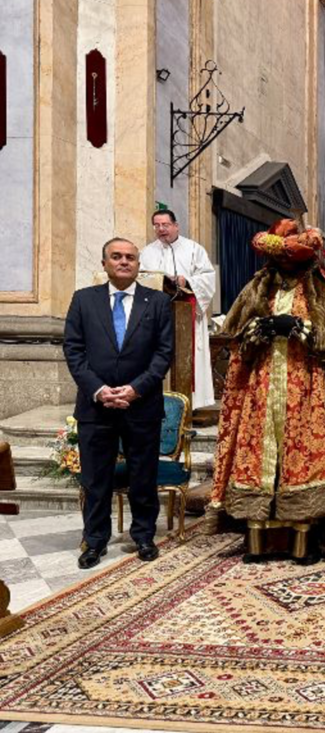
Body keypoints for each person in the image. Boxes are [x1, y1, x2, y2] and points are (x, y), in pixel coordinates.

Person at [209, 219, 325, 563]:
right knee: (260, 458)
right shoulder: (258, 289)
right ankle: (257, 538)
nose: (285, 268)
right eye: (280, 261)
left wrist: (300, 328)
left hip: (307, 388)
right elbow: (235, 337)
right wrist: (258, 329)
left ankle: (304, 538)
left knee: (302, 458)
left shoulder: (324, 291)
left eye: (292, 262)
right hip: (262, 386)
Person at [64, 238, 174, 569]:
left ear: (139, 264)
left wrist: (135, 389)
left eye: (130, 257)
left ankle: (143, 536)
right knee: (96, 480)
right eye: (117, 257)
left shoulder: (157, 302)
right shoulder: (84, 300)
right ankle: (94, 541)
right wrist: (99, 389)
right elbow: (74, 350)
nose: (124, 262)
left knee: (143, 476)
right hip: (95, 407)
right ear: (104, 263)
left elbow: (164, 353)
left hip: (141, 405)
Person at [139, 209, 217, 410]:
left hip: (184, 311)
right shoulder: (147, 252)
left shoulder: (193, 249)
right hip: (154, 315)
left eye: (165, 225)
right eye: (156, 225)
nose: (161, 229)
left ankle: (188, 404)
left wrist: (186, 280)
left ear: (176, 225)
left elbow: (208, 277)